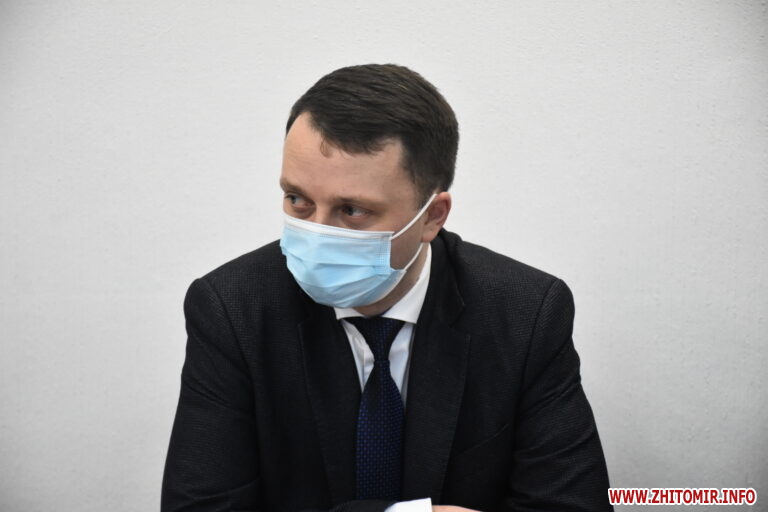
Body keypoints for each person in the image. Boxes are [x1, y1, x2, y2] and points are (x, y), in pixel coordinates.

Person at [161, 64, 612, 512]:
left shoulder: (525, 312)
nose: (317, 234)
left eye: (352, 210)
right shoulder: (232, 309)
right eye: (298, 200)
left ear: (432, 216)